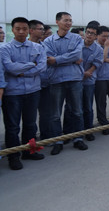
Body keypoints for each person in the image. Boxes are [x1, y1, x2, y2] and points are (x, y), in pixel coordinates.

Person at [1, 17, 47, 170]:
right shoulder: (5, 49)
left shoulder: (38, 47)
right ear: (12, 30)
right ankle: (13, 156)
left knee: (30, 124)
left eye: (24, 29)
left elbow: (41, 67)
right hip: (13, 93)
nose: (21, 32)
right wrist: (29, 65)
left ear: (29, 30)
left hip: (33, 91)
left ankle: (29, 151)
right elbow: (9, 67)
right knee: (13, 127)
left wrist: (21, 71)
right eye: (17, 29)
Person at [43, 12, 88, 155]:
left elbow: (76, 55)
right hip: (56, 80)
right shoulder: (48, 41)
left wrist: (57, 60)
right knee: (55, 114)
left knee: (77, 111)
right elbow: (48, 58)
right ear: (57, 22)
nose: (69, 23)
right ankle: (58, 141)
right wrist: (68, 59)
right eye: (65, 20)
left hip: (74, 79)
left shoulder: (76, 38)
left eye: (70, 20)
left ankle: (78, 138)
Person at [79, 24, 103, 141]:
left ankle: (88, 130)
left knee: (88, 107)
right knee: (73, 108)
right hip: (75, 80)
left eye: (92, 33)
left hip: (89, 80)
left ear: (96, 36)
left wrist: (89, 72)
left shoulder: (98, 48)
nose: (89, 35)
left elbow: (98, 62)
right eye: (87, 32)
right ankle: (71, 133)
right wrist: (80, 73)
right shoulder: (77, 45)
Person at [28, 20, 51, 140]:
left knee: (46, 114)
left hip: (45, 83)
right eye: (40, 29)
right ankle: (28, 142)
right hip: (29, 87)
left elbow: (43, 65)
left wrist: (29, 67)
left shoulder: (44, 46)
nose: (43, 31)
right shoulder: (25, 46)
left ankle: (45, 137)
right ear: (31, 30)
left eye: (43, 29)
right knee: (29, 118)